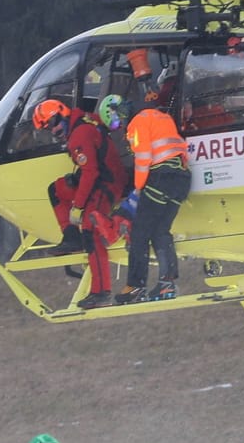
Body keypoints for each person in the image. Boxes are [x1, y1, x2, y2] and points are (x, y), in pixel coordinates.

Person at [33, 97, 127, 309]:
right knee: (56, 190)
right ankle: (70, 236)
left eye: (54, 122)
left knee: (91, 230)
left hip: (107, 184)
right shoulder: (82, 120)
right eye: (48, 127)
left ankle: (101, 292)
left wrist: (79, 205)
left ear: (63, 113)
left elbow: (91, 172)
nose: (54, 129)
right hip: (100, 177)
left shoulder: (78, 135)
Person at [104, 96, 191, 303]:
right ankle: (166, 284)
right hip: (182, 179)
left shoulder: (136, 124)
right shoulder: (160, 116)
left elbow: (143, 159)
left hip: (160, 178)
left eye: (117, 122)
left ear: (122, 113)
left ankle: (135, 287)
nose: (120, 127)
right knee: (161, 231)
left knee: (139, 233)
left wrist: (138, 189)